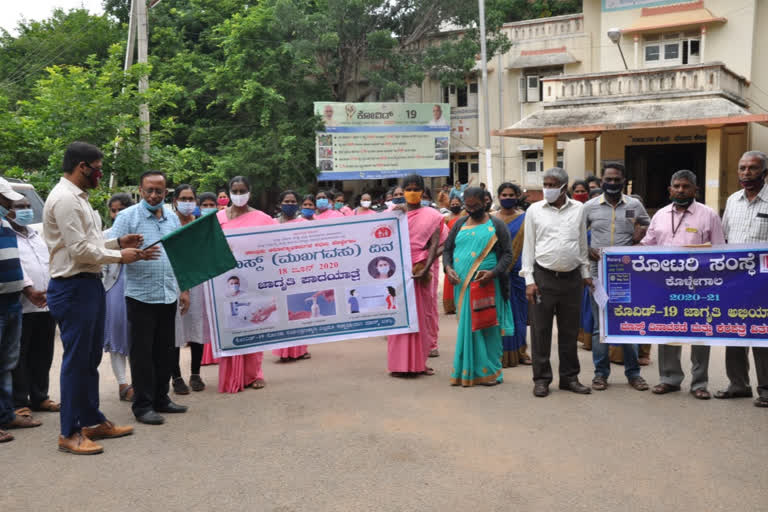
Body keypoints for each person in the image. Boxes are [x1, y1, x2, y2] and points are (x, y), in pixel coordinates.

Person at [44, 142, 156, 454]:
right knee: (76, 361)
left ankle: (92, 420)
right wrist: (121, 255)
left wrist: (116, 241)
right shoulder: (65, 199)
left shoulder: (79, 199)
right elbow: (79, 252)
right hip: (73, 286)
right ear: (82, 167)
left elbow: (88, 243)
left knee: (89, 359)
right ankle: (69, 433)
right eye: (97, 168)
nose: (100, 174)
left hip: (88, 284)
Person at [111, 170, 190, 425]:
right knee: (142, 354)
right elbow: (113, 250)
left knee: (165, 351)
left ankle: (161, 398)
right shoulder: (126, 217)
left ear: (166, 192)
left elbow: (179, 255)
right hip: (140, 296)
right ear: (140, 190)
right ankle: (143, 405)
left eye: (159, 190)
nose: (154, 195)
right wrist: (133, 253)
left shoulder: (172, 219)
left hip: (167, 294)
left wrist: (184, 290)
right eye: (149, 190)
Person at [641, 170, 725, 400]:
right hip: (665, 286)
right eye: (676, 186)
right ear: (669, 189)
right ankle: (669, 379)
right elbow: (646, 246)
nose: (680, 190)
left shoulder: (709, 215)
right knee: (668, 331)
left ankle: (699, 383)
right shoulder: (659, 215)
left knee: (700, 334)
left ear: (695, 190)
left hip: (699, 287)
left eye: (686, 186)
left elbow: (719, 252)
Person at [521, 167, 593, 397]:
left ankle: (569, 378)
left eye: (552, 185)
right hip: (543, 277)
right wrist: (529, 280)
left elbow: (582, 244)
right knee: (540, 331)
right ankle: (541, 379)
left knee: (569, 332)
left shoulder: (579, 209)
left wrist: (585, 273)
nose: (548, 189)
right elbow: (528, 247)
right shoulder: (534, 210)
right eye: (546, 184)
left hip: (571, 279)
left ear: (564, 187)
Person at [584, 164, 651, 392]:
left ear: (624, 181)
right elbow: (576, 233)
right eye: (608, 179)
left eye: (617, 180)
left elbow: (645, 224)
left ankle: (633, 374)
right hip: (597, 276)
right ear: (602, 180)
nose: (612, 183)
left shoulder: (632, 205)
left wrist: (639, 235)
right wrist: (586, 249)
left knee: (628, 324)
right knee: (599, 327)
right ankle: (600, 374)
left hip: (626, 276)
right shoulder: (590, 207)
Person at [444, 187, 515, 386]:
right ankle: (467, 371)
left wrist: (492, 273)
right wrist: (448, 268)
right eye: (468, 205)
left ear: (485, 202)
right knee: (468, 327)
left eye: (475, 205)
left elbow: (508, 254)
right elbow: (448, 250)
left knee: (487, 326)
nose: (471, 209)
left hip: (488, 285)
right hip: (462, 286)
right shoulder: (459, 224)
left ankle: (490, 372)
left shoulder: (496, 225)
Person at [716, 151, 768, 408]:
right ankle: (738, 385)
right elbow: (723, 240)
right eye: (742, 168)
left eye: (753, 168)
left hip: (763, 283)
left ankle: (766, 389)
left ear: (764, 173)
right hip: (735, 282)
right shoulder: (732, 201)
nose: (746, 173)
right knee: (733, 333)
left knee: (762, 334)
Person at [216, 176, 275, 392]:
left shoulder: (262, 218)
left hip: (254, 279)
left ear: (250, 192)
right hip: (226, 280)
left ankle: (254, 373)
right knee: (231, 323)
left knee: (253, 322)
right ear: (229, 192)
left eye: (242, 190)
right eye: (235, 190)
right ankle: (232, 373)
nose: (238, 195)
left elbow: (276, 244)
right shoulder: (218, 218)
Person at [387, 174, 446, 377]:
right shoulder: (391, 213)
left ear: (423, 191)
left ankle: (419, 363)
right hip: (395, 272)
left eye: (416, 188)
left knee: (419, 317)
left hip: (419, 271)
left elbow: (439, 244)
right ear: (402, 192)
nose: (412, 192)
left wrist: (425, 266)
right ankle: (398, 364)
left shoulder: (433, 215)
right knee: (399, 317)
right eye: (408, 189)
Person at [0, 178, 44, 444]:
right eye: (5, 197)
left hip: (12, 300)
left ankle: (6, 415)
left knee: (6, 362)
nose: (9, 202)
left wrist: (27, 290)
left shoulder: (6, 224)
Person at [9, 195, 59, 415]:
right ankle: (20, 402)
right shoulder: (7, 236)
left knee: (43, 353)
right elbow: (15, 267)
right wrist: (29, 289)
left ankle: (40, 396)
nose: (26, 210)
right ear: (8, 210)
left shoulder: (36, 235)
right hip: (22, 305)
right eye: (20, 207)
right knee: (20, 355)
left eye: (28, 206)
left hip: (46, 305)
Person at [170, 185, 205, 394]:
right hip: (173, 282)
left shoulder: (199, 225)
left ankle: (195, 374)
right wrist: (183, 288)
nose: (187, 202)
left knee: (196, 327)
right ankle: (176, 377)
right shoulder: (169, 224)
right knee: (174, 329)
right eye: (183, 198)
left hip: (198, 282)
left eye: (191, 198)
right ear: (175, 200)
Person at [493, 183, 532, 367]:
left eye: (511, 194)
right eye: (504, 194)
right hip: (495, 273)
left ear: (517, 196)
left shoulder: (526, 218)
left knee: (519, 314)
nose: (507, 197)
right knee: (497, 314)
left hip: (519, 274)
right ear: (498, 196)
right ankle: (496, 352)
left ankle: (521, 351)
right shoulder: (490, 219)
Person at [102, 193, 135, 402]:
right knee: (116, 335)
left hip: (137, 288)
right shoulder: (105, 236)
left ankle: (139, 382)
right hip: (113, 288)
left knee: (136, 335)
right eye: (113, 210)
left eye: (121, 210)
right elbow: (101, 266)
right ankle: (123, 383)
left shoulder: (139, 234)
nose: (117, 214)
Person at [272, 190, 310, 362]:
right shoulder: (271, 224)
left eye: (293, 201)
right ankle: (284, 351)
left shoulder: (304, 223)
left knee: (299, 311)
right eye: (287, 201)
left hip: (299, 273)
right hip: (279, 275)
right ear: (280, 204)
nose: (290, 204)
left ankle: (299, 350)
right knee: (283, 313)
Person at [442, 196, 465, 315]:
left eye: (457, 203)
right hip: (451, 248)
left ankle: (462, 302)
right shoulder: (446, 219)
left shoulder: (465, 217)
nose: (455, 205)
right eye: (453, 203)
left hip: (463, 247)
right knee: (450, 273)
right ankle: (450, 306)